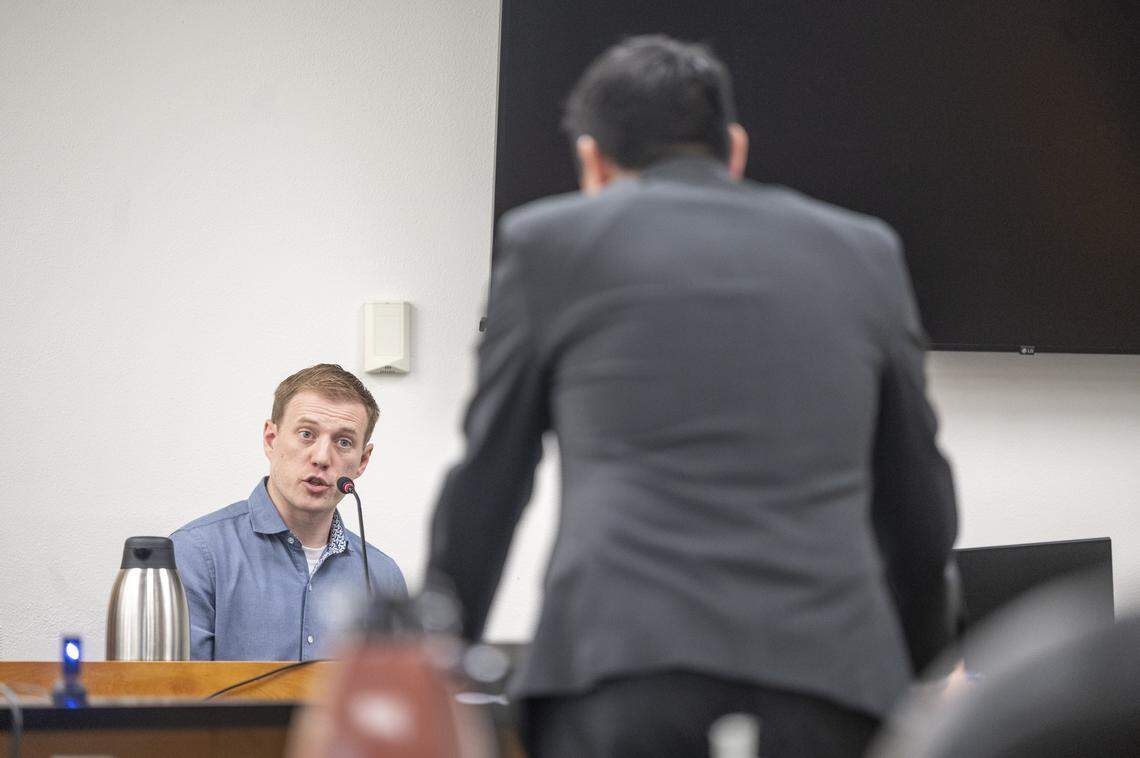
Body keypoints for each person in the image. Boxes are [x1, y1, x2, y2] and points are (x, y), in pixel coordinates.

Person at [426, 35, 958, 758]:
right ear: (734, 150)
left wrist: (434, 664)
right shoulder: (867, 252)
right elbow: (919, 503)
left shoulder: (548, 245)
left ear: (592, 162)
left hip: (619, 670)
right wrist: (918, 673)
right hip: (832, 684)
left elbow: (490, 482)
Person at [172, 364, 406, 661]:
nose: (322, 457)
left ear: (362, 461)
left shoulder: (383, 577)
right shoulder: (195, 554)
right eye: (307, 434)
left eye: (343, 442)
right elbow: (176, 688)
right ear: (271, 439)